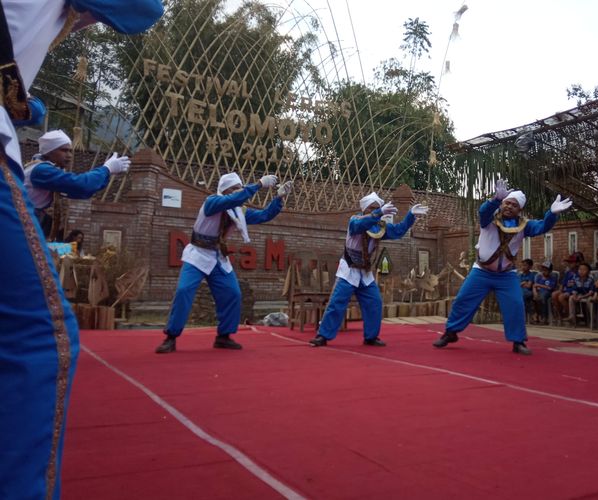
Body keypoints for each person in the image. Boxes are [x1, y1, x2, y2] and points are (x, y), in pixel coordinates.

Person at [0, 2, 163, 499]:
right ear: (50, 154)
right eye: (64, 151)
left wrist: (26, 104)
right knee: (38, 332)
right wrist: (109, 172)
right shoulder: (43, 171)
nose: (92, 23)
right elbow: (143, 8)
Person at [433, 179, 572, 354]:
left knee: (515, 304)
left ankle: (518, 341)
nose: (509, 207)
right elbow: (483, 211)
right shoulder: (489, 219)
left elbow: (542, 227)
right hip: (481, 272)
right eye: (507, 202)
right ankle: (450, 333)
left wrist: (551, 214)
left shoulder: (524, 226)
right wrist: (495, 200)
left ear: (519, 209)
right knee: (463, 300)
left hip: (506, 275)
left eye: (514, 205)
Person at [155, 173, 289, 353]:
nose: (238, 192)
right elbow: (232, 200)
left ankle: (224, 336)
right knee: (184, 290)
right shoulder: (212, 203)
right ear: (224, 190)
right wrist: (258, 184)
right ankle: (171, 336)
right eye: (234, 188)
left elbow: (264, 215)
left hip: (217, 257)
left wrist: (278, 199)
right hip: (197, 254)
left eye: (239, 188)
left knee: (233, 293)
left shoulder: (238, 212)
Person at [309, 193, 429, 347]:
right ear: (365, 209)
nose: (376, 211)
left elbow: (398, 231)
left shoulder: (378, 227)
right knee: (337, 302)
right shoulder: (355, 221)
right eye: (372, 208)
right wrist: (379, 213)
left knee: (374, 302)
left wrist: (411, 215)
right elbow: (360, 226)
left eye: (378, 208)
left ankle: (371, 337)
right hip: (349, 270)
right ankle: (323, 336)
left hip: (365, 273)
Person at [24, 129, 130, 239]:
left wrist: (106, 173)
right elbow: (81, 185)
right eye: (64, 150)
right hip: (24, 218)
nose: (69, 155)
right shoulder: (41, 170)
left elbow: (81, 192)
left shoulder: (41, 169)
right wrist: (106, 169)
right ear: (49, 151)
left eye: (70, 151)